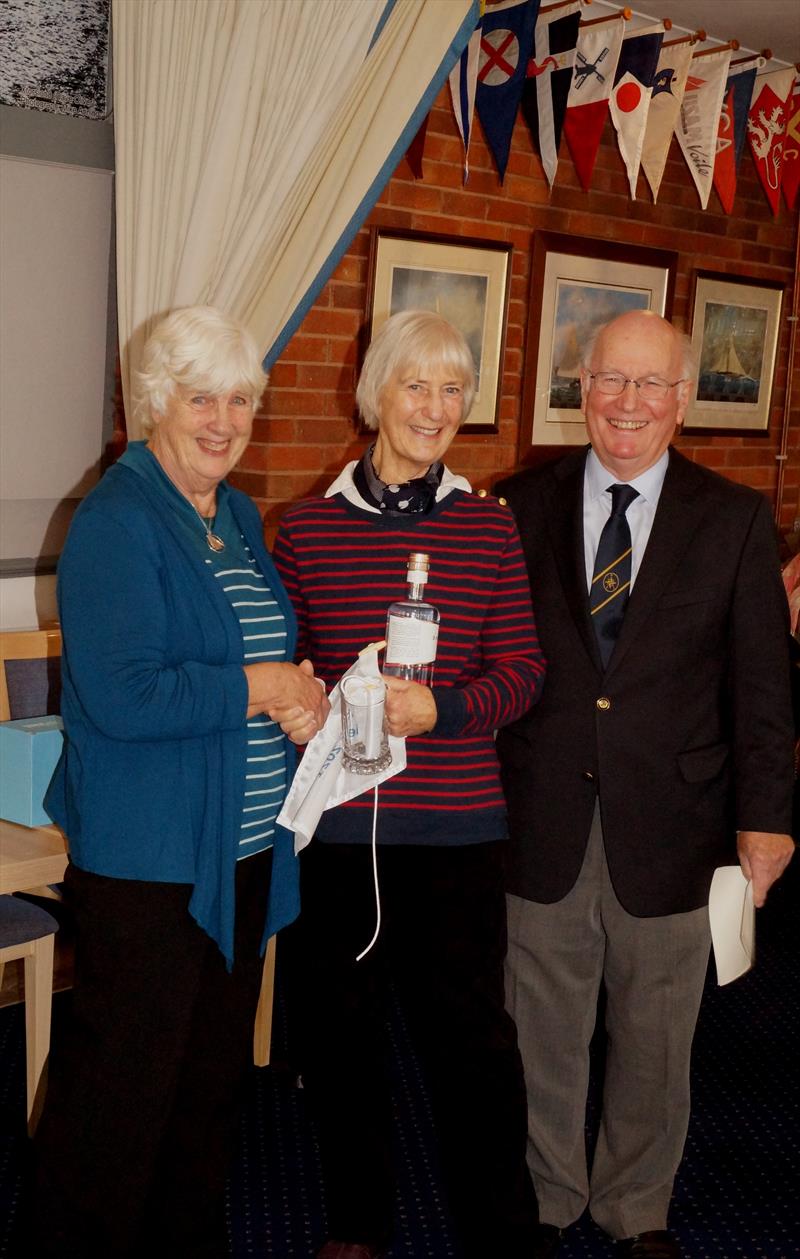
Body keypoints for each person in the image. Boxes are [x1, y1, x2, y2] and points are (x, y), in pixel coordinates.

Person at [495, 309, 795, 1259]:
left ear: (682, 400)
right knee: (537, 1022)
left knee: (657, 1032)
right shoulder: (515, 506)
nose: (630, 404)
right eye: (611, 382)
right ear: (582, 389)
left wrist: (767, 823)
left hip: (678, 821)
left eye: (652, 385)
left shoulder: (737, 520)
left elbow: (762, 688)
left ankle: (635, 1205)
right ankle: (545, 1194)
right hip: (540, 814)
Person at [31, 305, 329, 1258]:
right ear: (158, 399)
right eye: (202, 395)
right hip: (151, 866)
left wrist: (298, 698)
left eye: (241, 398)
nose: (223, 418)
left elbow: (256, 653)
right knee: (117, 1106)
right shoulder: (116, 520)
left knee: (204, 1095)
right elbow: (126, 697)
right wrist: (257, 687)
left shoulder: (234, 513)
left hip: (238, 853)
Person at [272, 309, 546, 1259]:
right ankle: (358, 1225)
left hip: (458, 832)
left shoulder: (488, 529)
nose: (435, 408)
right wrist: (303, 698)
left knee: (474, 1046)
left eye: (453, 389)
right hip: (340, 833)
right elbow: (285, 666)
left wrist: (445, 712)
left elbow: (521, 671)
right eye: (416, 385)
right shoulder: (301, 529)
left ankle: (504, 1233)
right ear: (374, 394)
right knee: (341, 1044)